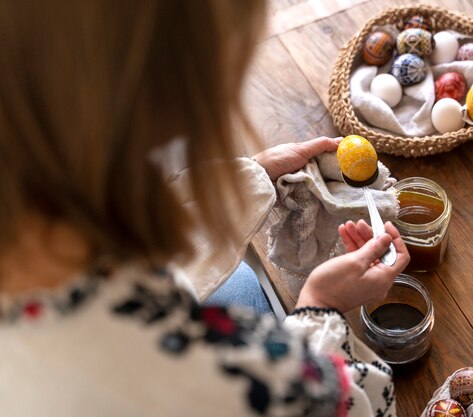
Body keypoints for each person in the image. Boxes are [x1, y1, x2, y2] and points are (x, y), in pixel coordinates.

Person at [0, 1, 410, 416]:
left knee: (247, 286)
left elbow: (145, 242)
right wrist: (322, 307)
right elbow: (352, 404)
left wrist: (258, 174)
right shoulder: (199, 377)